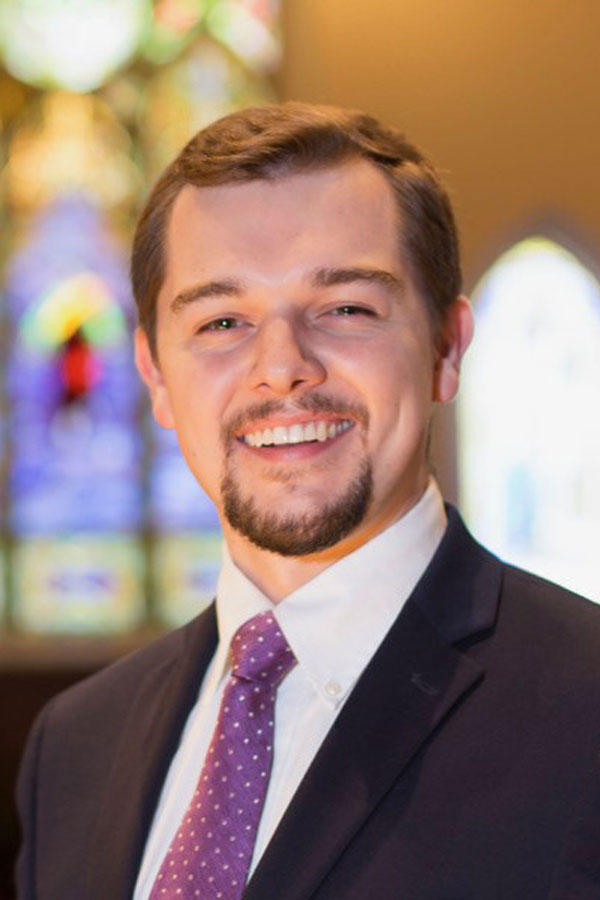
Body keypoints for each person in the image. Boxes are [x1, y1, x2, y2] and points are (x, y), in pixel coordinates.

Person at [16, 103, 600, 900]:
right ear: (154, 375)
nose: (281, 368)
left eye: (346, 309)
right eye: (223, 320)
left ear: (446, 348)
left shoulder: (584, 704)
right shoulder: (76, 747)